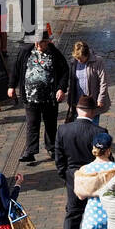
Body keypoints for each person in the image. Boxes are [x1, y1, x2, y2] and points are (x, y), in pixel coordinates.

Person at [55, 96, 103, 229]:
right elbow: (105, 158)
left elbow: (59, 157)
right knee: (97, 213)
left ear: (77, 109)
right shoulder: (99, 131)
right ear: (92, 112)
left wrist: (66, 175)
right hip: (94, 177)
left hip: (73, 176)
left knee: (73, 213)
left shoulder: (63, 130)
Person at [9, 29, 68, 164]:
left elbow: (64, 71)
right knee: (32, 123)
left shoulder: (54, 53)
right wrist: (11, 86)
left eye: (44, 42)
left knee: (50, 123)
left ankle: (52, 148)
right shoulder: (26, 51)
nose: (41, 45)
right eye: (39, 42)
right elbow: (16, 69)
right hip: (30, 96)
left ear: (48, 41)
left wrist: (61, 89)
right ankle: (30, 151)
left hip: (49, 96)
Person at [65, 41, 110, 123]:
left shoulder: (98, 61)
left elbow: (104, 82)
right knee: (79, 130)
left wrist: (101, 98)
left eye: (80, 58)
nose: (78, 60)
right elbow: (72, 82)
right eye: (77, 58)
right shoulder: (73, 62)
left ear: (87, 55)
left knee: (92, 128)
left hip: (92, 103)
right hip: (78, 103)